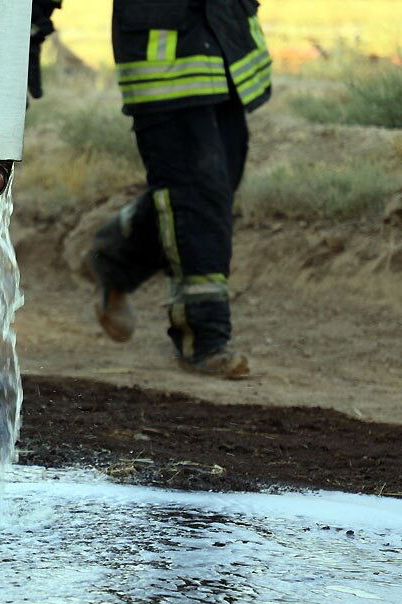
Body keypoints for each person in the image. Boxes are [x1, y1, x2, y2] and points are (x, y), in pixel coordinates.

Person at [88, 0, 272, 379]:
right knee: (196, 198)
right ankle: (203, 339)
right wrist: (31, 26)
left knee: (211, 193)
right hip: (163, 57)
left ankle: (117, 255)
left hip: (226, 48)